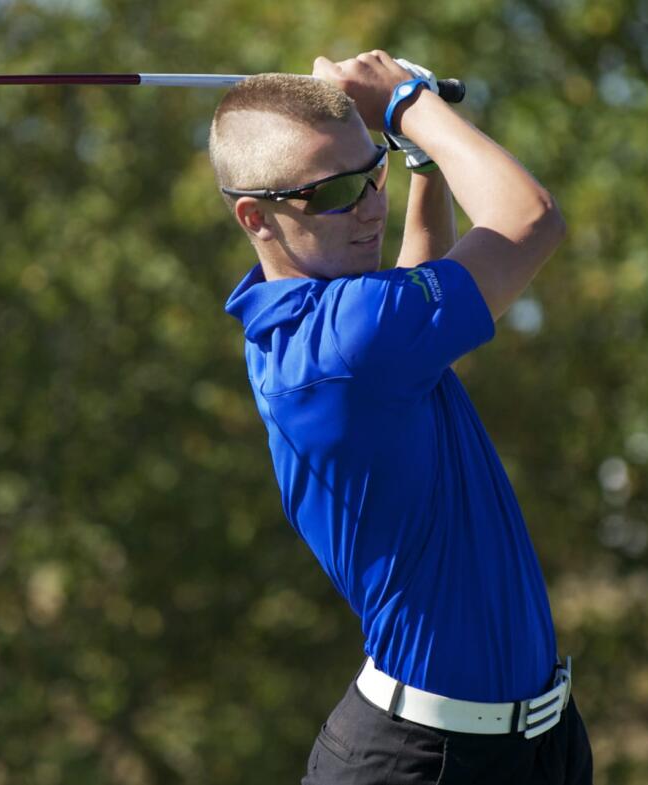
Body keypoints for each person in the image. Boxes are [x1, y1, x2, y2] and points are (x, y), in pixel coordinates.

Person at [209, 51, 593, 784]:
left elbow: (418, 278)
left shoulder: (321, 325)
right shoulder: (350, 344)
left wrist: (417, 158)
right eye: (337, 192)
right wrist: (409, 103)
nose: (370, 205)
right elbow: (530, 220)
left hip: (534, 745)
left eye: (373, 172)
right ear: (256, 216)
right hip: (423, 763)